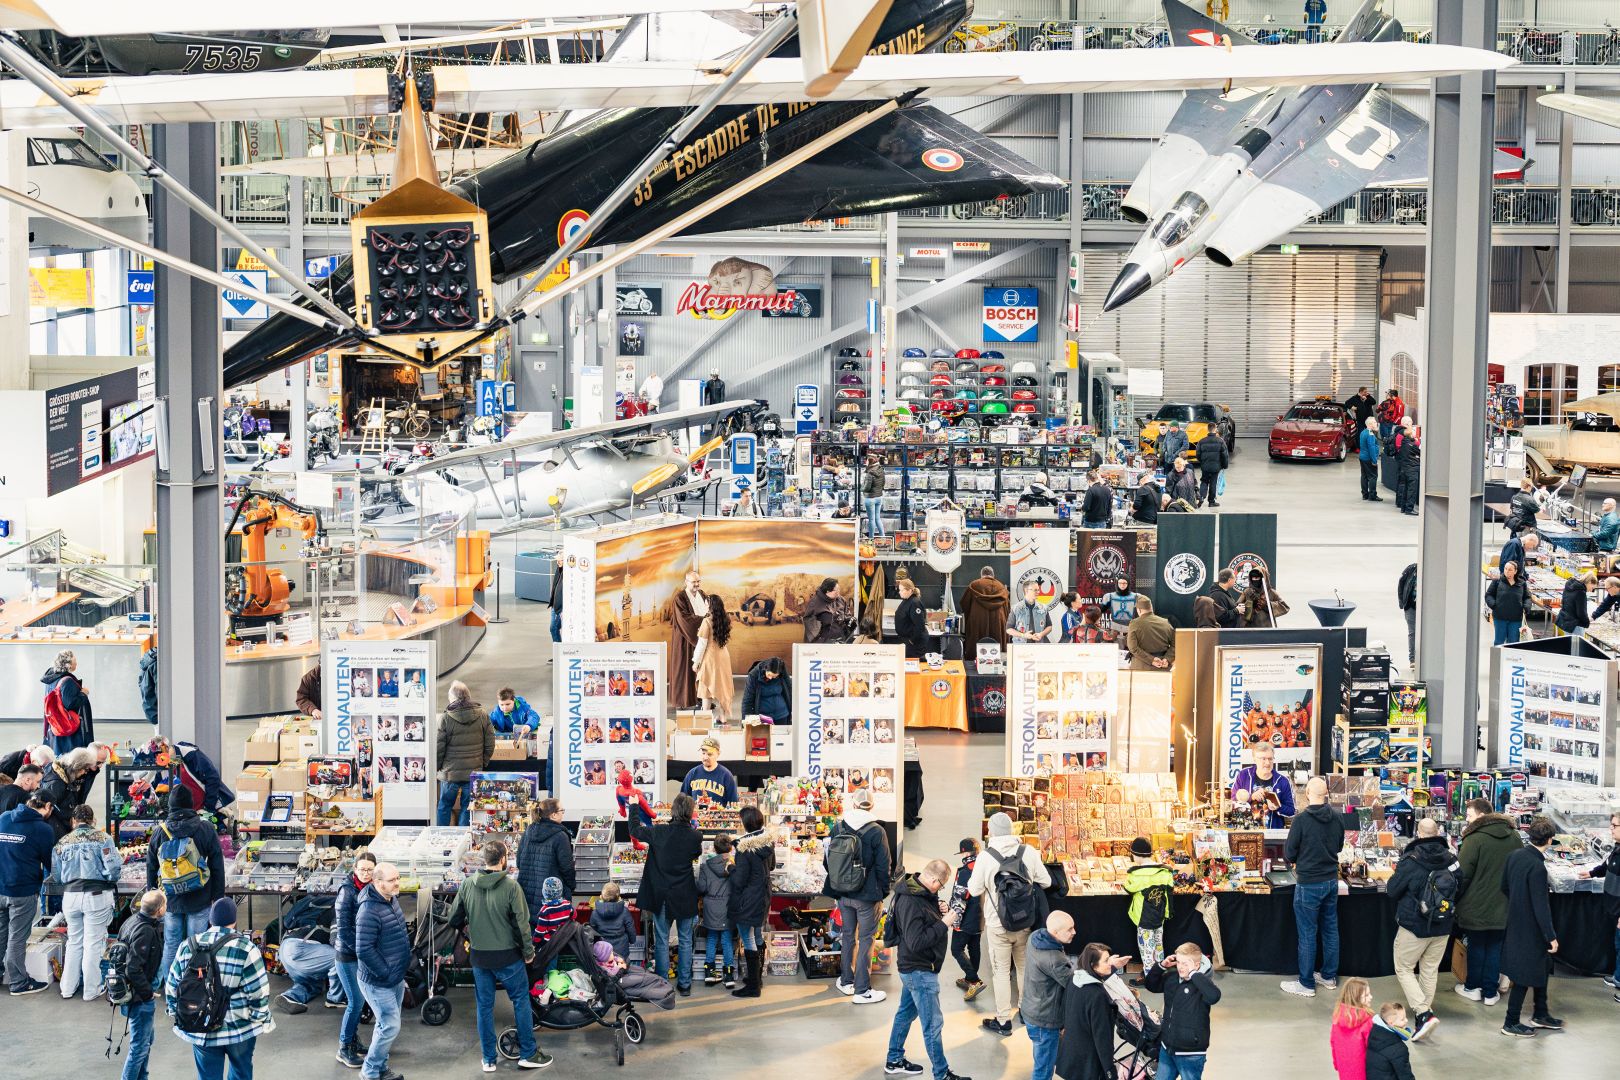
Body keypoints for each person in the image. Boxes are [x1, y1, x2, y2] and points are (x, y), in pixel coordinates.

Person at [450, 840, 550, 1072]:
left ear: (483, 859)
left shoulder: (467, 885)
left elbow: (454, 917)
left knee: (484, 1007)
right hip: (508, 957)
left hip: (480, 957)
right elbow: (522, 925)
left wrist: (470, 931)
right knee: (520, 1001)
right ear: (504, 859)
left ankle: (488, 1059)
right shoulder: (511, 887)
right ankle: (527, 1053)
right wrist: (528, 953)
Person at [165, 898, 273, 1079]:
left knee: (208, 1075)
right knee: (241, 1072)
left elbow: (172, 986)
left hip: (200, 1025)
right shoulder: (246, 948)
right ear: (234, 921)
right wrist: (258, 1018)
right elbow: (258, 991)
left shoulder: (188, 945)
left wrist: (177, 1013)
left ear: (211, 920)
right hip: (239, 1027)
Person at [883, 858, 968, 1080]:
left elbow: (923, 918)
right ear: (931, 878)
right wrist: (944, 923)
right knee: (933, 1025)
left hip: (914, 969)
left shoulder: (919, 890)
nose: (940, 889)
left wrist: (938, 909)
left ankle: (894, 1060)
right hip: (919, 971)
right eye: (940, 884)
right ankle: (941, 1074)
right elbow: (916, 941)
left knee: (905, 1014)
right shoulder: (911, 902)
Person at [968, 810, 1051, 1037]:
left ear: (991, 832)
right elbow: (1046, 881)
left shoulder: (985, 856)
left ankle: (1003, 1020)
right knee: (1024, 967)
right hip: (1024, 921)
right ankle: (1025, 1011)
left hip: (997, 925)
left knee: (1001, 972)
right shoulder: (1029, 852)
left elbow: (974, 890)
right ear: (1012, 830)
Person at [1384, 817, 1457, 1041]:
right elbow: (1460, 886)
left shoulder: (1411, 860)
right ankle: (1424, 1018)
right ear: (1438, 832)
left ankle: (1423, 1014)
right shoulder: (1453, 859)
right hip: (1443, 924)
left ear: (1418, 832)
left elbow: (1392, 890)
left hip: (1414, 925)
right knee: (1429, 970)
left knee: (1404, 968)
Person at [148, 783, 226, 980]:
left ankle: (171, 985)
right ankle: (193, 985)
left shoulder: (160, 831)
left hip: (171, 900)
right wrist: (217, 897)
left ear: (171, 806)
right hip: (199, 897)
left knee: (171, 943)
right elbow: (217, 865)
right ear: (191, 805)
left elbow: (151, 866)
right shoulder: (205, 828)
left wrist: (154, 895)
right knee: (197, 943)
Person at [824, 788, 892, 1005]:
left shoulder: (839, 826)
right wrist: (883, 891)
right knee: (866, 939)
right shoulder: (876, 831)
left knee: (847, 936)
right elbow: (884, 866)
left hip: (842, 894)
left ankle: (846, 981)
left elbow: (828, 861)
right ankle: (862, 990)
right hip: (867, 896)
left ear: (853, 804)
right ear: (872, 806)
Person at [631, 793, 703, 995]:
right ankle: (685, 985)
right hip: (685, 895)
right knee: (685, 940)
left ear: (673, 810)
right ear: (690, 812)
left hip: (660, 895)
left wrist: (634, 807)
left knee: (662, 940)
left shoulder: (659, 831)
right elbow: (695, 854)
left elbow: (634, 830)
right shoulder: (695, 836)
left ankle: (662, 985)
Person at [1281, 777, 1345, 997]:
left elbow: (1289, 853)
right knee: (1330, 930)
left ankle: (1306, 983)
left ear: (1307, 793)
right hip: (1330, 881)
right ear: (1326, 793)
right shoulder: (1337, 818)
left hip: (1308, 883)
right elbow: (1339, 846)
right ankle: (1328, 977)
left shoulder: (1301, 820)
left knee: (1307, 934)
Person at [1500, 816, 1563, 1038]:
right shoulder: (1537, 867)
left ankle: (1541, 1013)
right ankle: (1511, 1022)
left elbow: (1504, 886)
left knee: (1541, 967)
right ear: (1550, 839)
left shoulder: (1515, 856)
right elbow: (1541, 906)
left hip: (1516, 921)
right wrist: (1551, 936)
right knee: (1525, 974)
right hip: (1532, 929)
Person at [1455, 796, 1520, 1007]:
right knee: (1495, 947)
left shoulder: (1474, 839)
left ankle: (1473, 987)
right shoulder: (1514, 837)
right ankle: (1491, 992)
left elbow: (1463, 875)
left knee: (1476, 946)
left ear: (1481, 816)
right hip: (1504, 905)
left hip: (1476, 905)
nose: (1466, 819)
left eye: (1469, 815)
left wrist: (1456, 897)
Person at [52, 802, 121, 999]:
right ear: (93, 820)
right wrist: (108, 879)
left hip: (71, 896)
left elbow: (56, 874)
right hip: (96, 896)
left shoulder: (62, 842)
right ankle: (91, 990)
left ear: (73, 821)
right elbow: (114, 869)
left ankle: (67, 988)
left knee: (74, 941)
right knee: (93, 943)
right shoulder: (103, 838)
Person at [355, 861, 409, 1080]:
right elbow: (363, 950)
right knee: (390, 1025)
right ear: (377, 882)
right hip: (378, 981)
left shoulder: (391, 899)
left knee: (385, 1025)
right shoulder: (369, 910)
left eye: (397, 878)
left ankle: (381, 1069)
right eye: (392, 880)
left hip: (395, 977)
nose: (397, 883)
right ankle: (369, 1071)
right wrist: (385, 972)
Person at [0, 791, 54, 994]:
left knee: (1, 933)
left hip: (0, 885)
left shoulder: (4, 818)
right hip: (22, 891)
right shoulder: (43, 829)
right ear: (47, 806)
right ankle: (18, 983)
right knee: (17, 937)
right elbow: (50, 864)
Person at [1144, 942, 1222, 1080]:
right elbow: (1151, 985)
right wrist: (1161, 966)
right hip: (1167, 1048)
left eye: (1186, 964)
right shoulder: (1172, 978)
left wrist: (1193, 974)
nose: (1180, 967)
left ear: (1196, 965)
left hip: (1190, 1053)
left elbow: (1214, 996)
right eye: (1178, 962)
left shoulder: (1202, 983)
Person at [333, 851, 377, 1068]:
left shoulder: (370, 888)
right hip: (347, 955)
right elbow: (343, 930)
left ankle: (353, 1040)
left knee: (360, 1001)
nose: (366, 873)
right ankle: (343, 1048)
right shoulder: (347, 892)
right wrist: (362, 951)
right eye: (362, 869)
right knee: (355, 1002)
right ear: (355, 869)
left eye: (370, 869)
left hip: (360, 953)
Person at [1022, 910, 1077, 1080]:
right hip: (1045, 1021)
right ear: (1055, 932)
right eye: (1069, 929)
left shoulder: (1036, 938)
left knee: (1041, 1056)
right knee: (1044, 1069)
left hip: (1031, 1011)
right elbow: (1074, 985)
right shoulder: (1055, 960)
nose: (1074, 932)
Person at [119, 889, 167, 1080]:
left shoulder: (131, 922)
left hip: (133, 996)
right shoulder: (145, 931)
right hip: (139, 999)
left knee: (145, 1042)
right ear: (159, 910)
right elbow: (133, 968)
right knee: (139, 1048)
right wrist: (147, 993)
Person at [729, 804, 776, 999]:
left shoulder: (743, 848)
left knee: (747, 938)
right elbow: (771, 866)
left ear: (746, 824)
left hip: (748, 898)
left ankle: (753, 987)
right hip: (763, 895)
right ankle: (756, 977)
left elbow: (739, 881)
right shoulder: (768, 843)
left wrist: (730, 868)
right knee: (757, 935)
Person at [1055, 942, 1119, 1080]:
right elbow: (1102, 1037)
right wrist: (1109, 1070)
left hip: (1070, 1054)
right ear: (1092, 965)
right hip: (1088, 1062)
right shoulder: (1098, 995)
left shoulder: (1074, 980)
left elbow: (1063, 1011)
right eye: (1106, 961)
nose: (1110, 963)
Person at [436, 680, 494, 826]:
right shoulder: (482, 715)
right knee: (467, 807)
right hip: (473, 772)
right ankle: (463, 838)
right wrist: (482, 763)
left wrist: (437, 767)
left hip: (449, 775)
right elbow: (490, 743)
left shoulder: (445, 718)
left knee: (444, 806)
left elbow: (439, 747)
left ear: (452, 698)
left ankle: (440, 836)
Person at [1576, 810, 1620, 1000]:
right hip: (1611, 905)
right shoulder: (1617, 847)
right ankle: (1618, 976)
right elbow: (1607, 865)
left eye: (1615, 826)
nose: (1611, 829)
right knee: (1617, 944)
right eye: (1611, 825)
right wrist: (1592, 873)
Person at [1122, 837, 1173, 976]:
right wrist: (1167, 913)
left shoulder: (1135, 874)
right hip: (1159, 915)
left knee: (1146, 949)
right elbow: (1169, 893)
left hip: (1143, 918)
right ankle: (1160, 973)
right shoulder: (1165, 872)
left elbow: (1128, 888)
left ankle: (1150, 978)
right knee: (1158, 945)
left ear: (1136, 855)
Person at [516, 796, 574, 915]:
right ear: (553, 815)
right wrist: (570, 887)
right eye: (562, 811)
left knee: (534, 930)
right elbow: (567, 868)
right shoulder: (560, 836)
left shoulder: (529, 830)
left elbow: (519, 862)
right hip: (552, 896)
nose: (563, 814)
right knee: (552, 931)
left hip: (526, 893)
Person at [276, 914, 340, 1015]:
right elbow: (335, 941)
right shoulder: (339, 912)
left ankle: (289, 997)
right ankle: (336, 998)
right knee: (342, 956)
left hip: (285, 951)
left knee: (312, 984)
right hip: (300, 948)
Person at [696, 834, 735, 988]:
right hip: (727, 905)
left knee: (711, 938)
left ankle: (709, 973)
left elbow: (702, 888)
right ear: (730, 847)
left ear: (714, 848)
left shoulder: (705, 866)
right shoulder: (733, 864)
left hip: (710, 906)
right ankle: (729, 974)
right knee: (726, 940)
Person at [1229, 742, 1297, 828]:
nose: (1267, 763)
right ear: (1254, 759)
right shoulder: (1244, 775)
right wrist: (1251, 797)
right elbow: (1232, 802)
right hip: (1246, 832)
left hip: (1273, 834)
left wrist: (1278, 807)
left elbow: (1291, 811)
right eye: (1263, 759)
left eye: (1270, 759)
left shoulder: (1282, 781)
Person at [41, 649, 94, 754]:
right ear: (68, 665)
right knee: (71, 755)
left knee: (58, 754)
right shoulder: (67, 681)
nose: (76, 663)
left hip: (56, 724)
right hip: (69, 727)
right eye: (74, 661)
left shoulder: (51, 679)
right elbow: (70, 704)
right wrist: (83, 693)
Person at [950, 839, 984, 1000]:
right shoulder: (984, 866)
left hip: (966, 917)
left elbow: (960, 898)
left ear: (965, 853)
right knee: (974, 946)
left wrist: (955, 920)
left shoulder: (965, 871)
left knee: (956, 949)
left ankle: (974, 980)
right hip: (981, 916)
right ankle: (970, 979)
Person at [694, 593, 735, 723]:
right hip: (723, 657)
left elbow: (701, 645)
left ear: (711, 606)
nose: (705, 605)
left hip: (710, 658)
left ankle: (704, 720)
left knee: (706, 687)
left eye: (706, 603)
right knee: (722, 686)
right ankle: (723, 717)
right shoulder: (725, 619)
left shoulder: (706, 622)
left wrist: (696, 662)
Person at [670, 570, 707, 708]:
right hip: (685, 638)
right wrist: (705, 620)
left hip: (701, 636)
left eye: (698, 581)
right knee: (684, 668)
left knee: (701, 669)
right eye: (693, 582)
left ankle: (701, 699)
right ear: (686, 582)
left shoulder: (702, 595)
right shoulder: (680, 598)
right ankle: (682, 700)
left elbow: (709, 610)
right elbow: (684, 619)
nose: (696, 584)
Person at [1329, 978, 1375, 1080]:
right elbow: (1374, 1049)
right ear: (1356, 998)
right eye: (1366, 995)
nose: (1371, 997)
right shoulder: (1367, 1022)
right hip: (1365, 1071)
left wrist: (1337, 1064)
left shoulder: (1337, 1018)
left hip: (1344, 1069)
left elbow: (1333, 1043)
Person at [681, 737, 740, 809]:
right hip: (695, 818)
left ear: (718, 754)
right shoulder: (692, 773)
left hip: (717, 818)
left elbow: (733, 805)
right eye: (703, 753)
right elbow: (683, 801)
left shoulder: (726, 776)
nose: (705, 757)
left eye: (709, 754)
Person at [961, 567, 1011, 651]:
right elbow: (1007, 608)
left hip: (978, 620)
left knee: (977, 644)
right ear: (993, 575)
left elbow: (965, 604)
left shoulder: (974, 585)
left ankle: (975, 661)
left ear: (981, 575)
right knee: (997, 646)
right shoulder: (1002, 587)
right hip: (998, 620)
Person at [591, 881, 639, 967]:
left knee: (606, 971)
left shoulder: (595, 913)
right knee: (622, 969)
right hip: (622, 951)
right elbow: (630, 928)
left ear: (601, 897)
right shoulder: (625, 912)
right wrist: (632, 940)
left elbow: (592, 932)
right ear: (619, 897)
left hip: (603, 952)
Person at [1366, 1002, 1417, 1080]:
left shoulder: (1371, 1033)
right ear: (1391, 1023)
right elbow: (1405, 1075)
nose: (1406, 1020)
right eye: (1402, 1019)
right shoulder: (1399, 1049)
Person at [1485, 560, 1530, 646]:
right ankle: (1498, 659)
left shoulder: (1522, 583)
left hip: (1516, 618)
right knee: (1499, 641)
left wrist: (1526, 606)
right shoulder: (1497, 581)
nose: (1507, 571)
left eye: (1510, 569)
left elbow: (1527, 597)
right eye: (1505, 568)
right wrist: (1494, 605)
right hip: (1500, 617)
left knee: (1513, 642)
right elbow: (1489, 595)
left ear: (1515, 571)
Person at [1125, 596, 1176, 672]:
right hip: (1163, 668)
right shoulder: (1165, 622)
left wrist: (1151, 660)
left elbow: (1133, 648)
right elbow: (1176, 644)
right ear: (1151, 608)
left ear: (1138, 610)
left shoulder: (1134, 624)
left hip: (1140, 669)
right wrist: (1167, 659)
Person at [741, 657, 792, 723]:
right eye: (769, 675)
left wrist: (793, 711)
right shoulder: (753, 676)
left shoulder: (781, 672)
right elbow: (747, 700)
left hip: (782, 715)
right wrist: (746, 721)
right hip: (764, 717)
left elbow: (790, 691)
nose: (771, 678)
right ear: (765, 669)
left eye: (774, 676)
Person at [893, 577, 932, 659]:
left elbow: (920, 625)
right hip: (908, 640)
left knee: (913, 664)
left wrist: (912, 640)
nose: (900, 592)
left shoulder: (915, 603)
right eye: (899, 590)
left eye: (902, 590)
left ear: (910, 590)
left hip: (915, 642)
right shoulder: (906, 600)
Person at [803, 577, 849, 644]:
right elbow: (808, 621)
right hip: (821, 643)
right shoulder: (815, 603)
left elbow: (847, 616)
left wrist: (849, 622)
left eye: (839, 589)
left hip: (840, 642)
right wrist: (819, 640)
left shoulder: (841, 600)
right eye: (836, 590)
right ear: (828, 591)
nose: (839, 591)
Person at [1557, 571, 1593, 652]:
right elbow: (1581, 612)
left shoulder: (1569, 586)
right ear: (1590, 582)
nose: (1591, 590)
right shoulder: (1581, 592)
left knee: (1569, 646)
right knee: (1577, 649)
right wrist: (1587, 622)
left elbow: (1564, 602)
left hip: (1566, 621)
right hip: (1575, 624)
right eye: (1592, 587)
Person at [1194, 427, 1228, 507]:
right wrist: (1224, 465)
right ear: (1215, 430)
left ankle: (1201, 497)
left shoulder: (1201, 441)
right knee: (1213, 483)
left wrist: (1202, 462)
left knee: (1204, 481)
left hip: (1205, 466)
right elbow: (1224, 455)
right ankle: (1211, 501)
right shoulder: (1220, 441)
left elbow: (1198, 454)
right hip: (1216, 466)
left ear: (1208, 430)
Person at [1393, 419, 1421, 516]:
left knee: (1405, 488)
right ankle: (1409, 508)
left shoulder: (1403, 442)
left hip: (1404, 467)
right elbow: (1420, 451)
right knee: (1411, 489)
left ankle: (1403, 507)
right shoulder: (1412, 444)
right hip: (1412, 469)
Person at [1358, 416, 1383, 502]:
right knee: (1373, 477)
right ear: (1370, 424)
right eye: (1375, 422)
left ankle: (1365, 494)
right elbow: (1371, 448)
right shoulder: (1370, 434)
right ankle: (1372, 495)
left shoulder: (1363, 432)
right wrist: (1374, 460)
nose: (1376, 423)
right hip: (1369, 458)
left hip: (1362, 457)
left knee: (1364, 476)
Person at [862, 453, 887, 537]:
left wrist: (860, 488)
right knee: (877, 518)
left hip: (870, 498)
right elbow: (883, 483)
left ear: (869, 462)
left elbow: (867, 488)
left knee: (871, 519)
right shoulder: (881, 470)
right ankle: (882, 536)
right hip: (879, 497)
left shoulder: (870, 473)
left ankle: (871, 539)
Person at [1398, 563, 1418, 665]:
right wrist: (1402, 602)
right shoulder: (1412, 569)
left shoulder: (1430, 573)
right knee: (1412, 632)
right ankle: (1412, 659)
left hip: (1423, 608)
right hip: (1410, 606)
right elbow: (1401, 583)